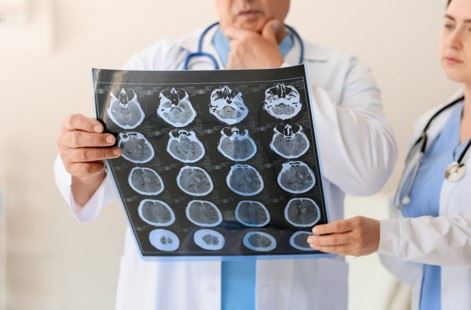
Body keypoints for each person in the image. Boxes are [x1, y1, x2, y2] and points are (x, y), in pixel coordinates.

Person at [55, 0, 397, 309]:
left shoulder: (342, 71)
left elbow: (369, 173)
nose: (244, 1)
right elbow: (99, 178)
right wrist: (83, 163)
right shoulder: (158, 63)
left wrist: (277, 72)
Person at [308, 0, 471, 309]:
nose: (454, 40)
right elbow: (407, 231)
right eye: (449, 25)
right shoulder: (431, 126)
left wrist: (383, 235)